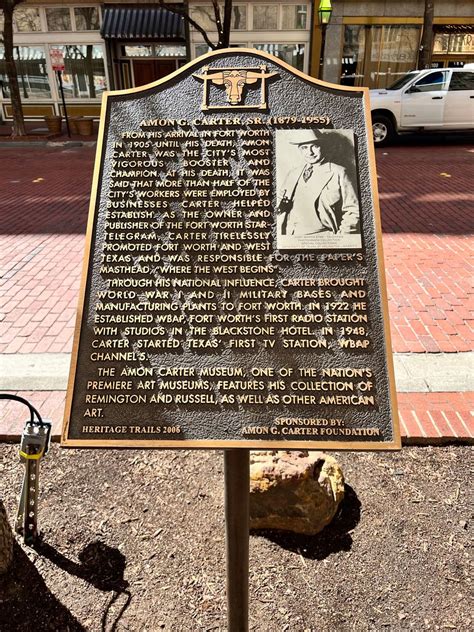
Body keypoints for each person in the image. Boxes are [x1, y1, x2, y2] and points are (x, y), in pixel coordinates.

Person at [278, 129, 360, 239]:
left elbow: (353, 211)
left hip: (322, 238)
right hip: (291, 236)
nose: (310, 152)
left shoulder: (339, 172)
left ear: (323, 146)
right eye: (304, 148)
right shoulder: (293, 173)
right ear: (300, 150)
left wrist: (342, 239)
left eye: (314, 146)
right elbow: (279, 206)